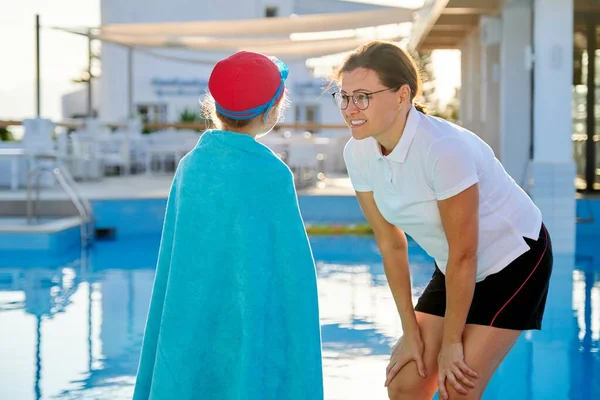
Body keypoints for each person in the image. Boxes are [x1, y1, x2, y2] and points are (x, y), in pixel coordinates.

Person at [332, 40, 553, 400]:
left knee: (457, 390)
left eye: (362, 96)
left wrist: (451, 344)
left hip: (514, 258)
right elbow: (391, 243)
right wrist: (410, 331)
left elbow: (466, 252)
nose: (350, 108)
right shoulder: (358, 152)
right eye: (344, 97)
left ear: (402, 96)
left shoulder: (443, 149)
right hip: (455, 265)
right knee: (404, 386)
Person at [132, 51, 324, 400]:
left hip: (191, 317)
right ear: (272, 109)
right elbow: (290, 273)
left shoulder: (190, 167)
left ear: (214, 106)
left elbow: (175, 262)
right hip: (249, 318)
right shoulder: (272, 174)